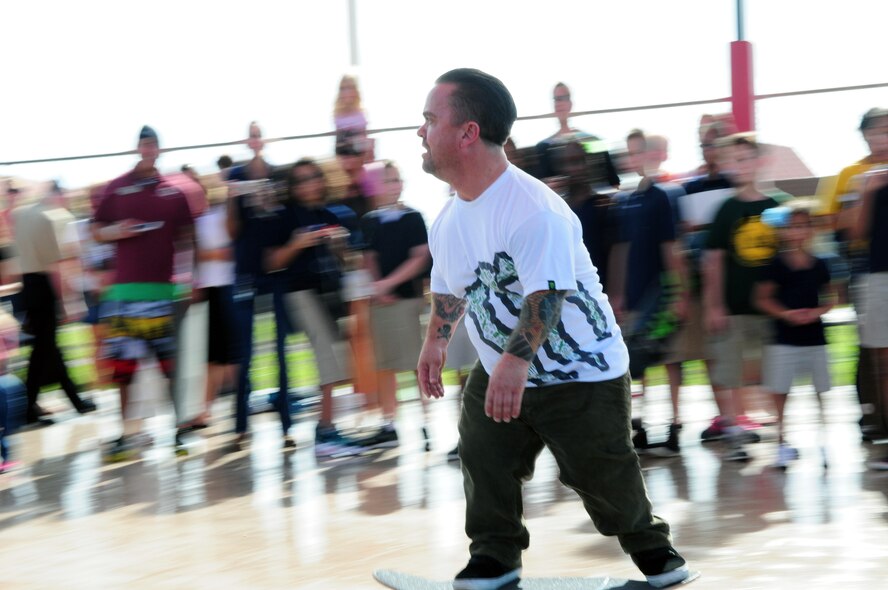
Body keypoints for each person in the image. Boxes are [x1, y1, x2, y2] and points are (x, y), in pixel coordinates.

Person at [416, 68, 689, 590]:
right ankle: (495, 558)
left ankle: (655, 554)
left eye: (430, 120)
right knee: (482, 452)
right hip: (502, 367)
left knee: (601, 472)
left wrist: (515, 366)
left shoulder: (533, 209)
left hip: (580, 371)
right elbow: (452, 288)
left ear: (467, 133)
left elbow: (547, 295)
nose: (421, 133)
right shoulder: (448, 218)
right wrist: (435, 341)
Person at [91, 126, 197, 460]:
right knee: (124, 370)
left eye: (153, 144)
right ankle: (126, 436)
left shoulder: (174, 192)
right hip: (124, 293)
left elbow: (189, 239)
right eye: (144, 144)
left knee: (170, 367)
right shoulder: (118, 188)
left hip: (164, 292)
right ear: (137, 148)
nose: (148, 149)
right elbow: (95, 231)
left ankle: (178, 433)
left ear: (159, 150)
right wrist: (114, 231)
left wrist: (190, 279)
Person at [266, 158, 367, 459]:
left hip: (329, 295)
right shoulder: (284, 216)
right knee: (328, 355)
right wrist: (298, 243)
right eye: (300, 180)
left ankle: (327, 429)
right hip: (299, 293)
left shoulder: (329, 213)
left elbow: (350, 262)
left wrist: (339, 246)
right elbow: (271, 262)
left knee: (336, 358)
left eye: (313, 177)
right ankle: (324, 431)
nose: (308, 183)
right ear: (292, 186)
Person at [703, 133, 780, 462]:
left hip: (770, 308)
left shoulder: (775, 207)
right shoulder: (726, 210)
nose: (741, 166)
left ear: (760, 162)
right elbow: (714, 260)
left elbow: (786, 253)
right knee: (731, 372)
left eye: (747, 158)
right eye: (735, 160)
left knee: (771, 371)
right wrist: (715, 304)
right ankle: (735, 434)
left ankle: (780, 432)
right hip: (734, 307)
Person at [609, 130, 686, 456]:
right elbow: (622, 250)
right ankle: (638, 425)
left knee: (668, 358)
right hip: (635, 292)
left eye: (638, 152)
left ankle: (674, 425)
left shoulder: (662, 197)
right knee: (636, 360)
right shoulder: (626, 201)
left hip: (660, 289)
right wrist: (617, 293)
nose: (633, 159)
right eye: (629, 153)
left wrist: (679, 292)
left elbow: (672, 246)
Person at [820, 107, 888, 441]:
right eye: (875, 131)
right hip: (865, 267)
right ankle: (871, 416)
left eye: (886, 130)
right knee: (870, 347)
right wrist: (866, 194)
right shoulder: (849, 175)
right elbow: (835, 225)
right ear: (864, 135)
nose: (881, 137)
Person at [226, 121, 295, 449]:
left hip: (276, 274)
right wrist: (231, 197)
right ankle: (240, 428)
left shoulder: (279, 175)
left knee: (283, 351)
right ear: (247, 139)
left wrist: (269, 200)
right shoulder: (236, 177)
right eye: (250, 134)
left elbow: (285, 223)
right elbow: (231, 230)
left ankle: (287, 426)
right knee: (246, 353)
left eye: (259, 134)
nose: (255, 139)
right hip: (245, 275)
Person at [754, 206, 834, 469]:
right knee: (780, 392)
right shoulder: (775, 264)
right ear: (785, 232)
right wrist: (787, 314)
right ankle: (781, 442)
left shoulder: (820, 263)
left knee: (821, 391)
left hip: (815, 337)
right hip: (784, 338)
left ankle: (824, 443)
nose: (798, 231)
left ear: (811, 230)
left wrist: (816, 313)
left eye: (803, 226)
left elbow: (832, 297)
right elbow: (762, 298)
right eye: (793, 226)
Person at [359, 160, 431, 448]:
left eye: (397, 179)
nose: (394, 185)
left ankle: (426, 422)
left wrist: (389, 284)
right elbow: (368, 256)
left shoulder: (413, 217)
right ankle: (390, 424)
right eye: (388, 180)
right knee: (386, 364)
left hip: (408, 299)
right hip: (382, 303)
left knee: (415, 362)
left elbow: (420, 257)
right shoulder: (369, 221)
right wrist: (378, 287)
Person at [14, 181, 95, 425]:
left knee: (46, 347)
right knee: (44, 349)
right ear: (59, 195)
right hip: (46, 286)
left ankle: (70, 400)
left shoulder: (22, 214)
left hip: (28, 286)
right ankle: (31, 406)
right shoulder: (55, 217)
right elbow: (57, 266)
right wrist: (68, 301)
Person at [852, 167, 888, 470]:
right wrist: (868, 192)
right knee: (884, 366)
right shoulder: (872, 179)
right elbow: (855, 234)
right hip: (880, 277)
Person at [534, 82, 620, 190]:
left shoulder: (592, 141)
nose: (559, 103)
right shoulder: (544, 147)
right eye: (556, 99)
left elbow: (612, 179)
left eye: (563, 98)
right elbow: (541, 187)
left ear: (570, 104)